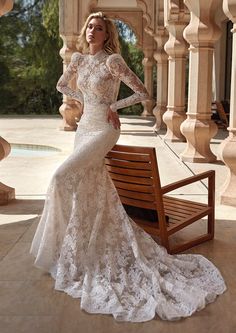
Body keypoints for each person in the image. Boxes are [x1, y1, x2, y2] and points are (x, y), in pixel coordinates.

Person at [30, 11, 226, 322]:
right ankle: (80, 249)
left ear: (108, 35)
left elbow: (142, 92)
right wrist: (83, 100)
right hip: (85, 127)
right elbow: (61, 85)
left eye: (99, 28)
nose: (93, 31)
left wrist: (111, 106)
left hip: (105, 129)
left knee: (59, 177)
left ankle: (65, 245)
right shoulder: (79, 58)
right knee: (87, 185)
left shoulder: (113, 62)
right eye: (90, 27)